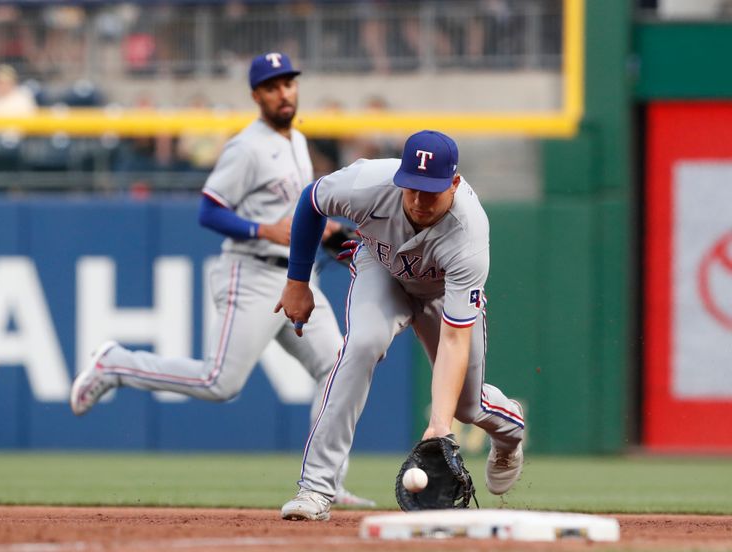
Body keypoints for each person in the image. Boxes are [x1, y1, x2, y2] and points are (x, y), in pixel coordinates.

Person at [69, 52, 373, 509]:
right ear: (256, 96)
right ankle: (115, 364)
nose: (283, 92)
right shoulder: (246, 147)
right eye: (272, 86)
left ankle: (326, 483)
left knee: (338, 366)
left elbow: (297, 210)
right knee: (219, 381)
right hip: (251, 273)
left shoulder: (297, 142)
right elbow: (208, 209)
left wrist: (324, 231)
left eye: (288, 83)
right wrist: (263, 228)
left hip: (296, 278)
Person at [276, 130, 526, 521]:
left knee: (466, 406)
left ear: (454, 184)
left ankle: (510, 434)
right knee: (360, 345)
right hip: (382, 270)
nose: (419, 200)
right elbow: (312, 201)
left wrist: (439, 427)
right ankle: (316, 489)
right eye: (412, 188)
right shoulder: (368, 184)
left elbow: (455, 342)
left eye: (432, 191)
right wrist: (297, 282)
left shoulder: (469, 232)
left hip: (442, 291)